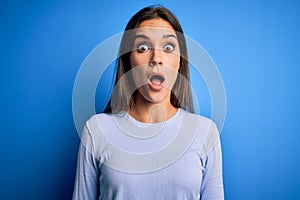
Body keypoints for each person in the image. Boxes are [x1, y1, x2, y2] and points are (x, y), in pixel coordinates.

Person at [73, 5, 224, 200]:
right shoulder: (96, 130)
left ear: (180, 62)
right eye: (143, 47)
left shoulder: (205, 133)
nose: (156, 58)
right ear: (128, 61)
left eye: (168, 47)